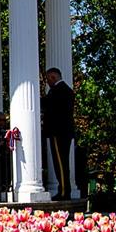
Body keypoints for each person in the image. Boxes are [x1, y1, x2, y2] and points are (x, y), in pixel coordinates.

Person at [41, 67, 75, 201]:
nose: (47, 82)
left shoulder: (57, 91)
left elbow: (48, 106)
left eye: (48, 79)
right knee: (63, 162)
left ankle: (64, 192)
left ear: (53, 77)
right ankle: (64, 190)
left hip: (58, 132)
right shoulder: (66, 90)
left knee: (60, 163)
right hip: (64, 132)